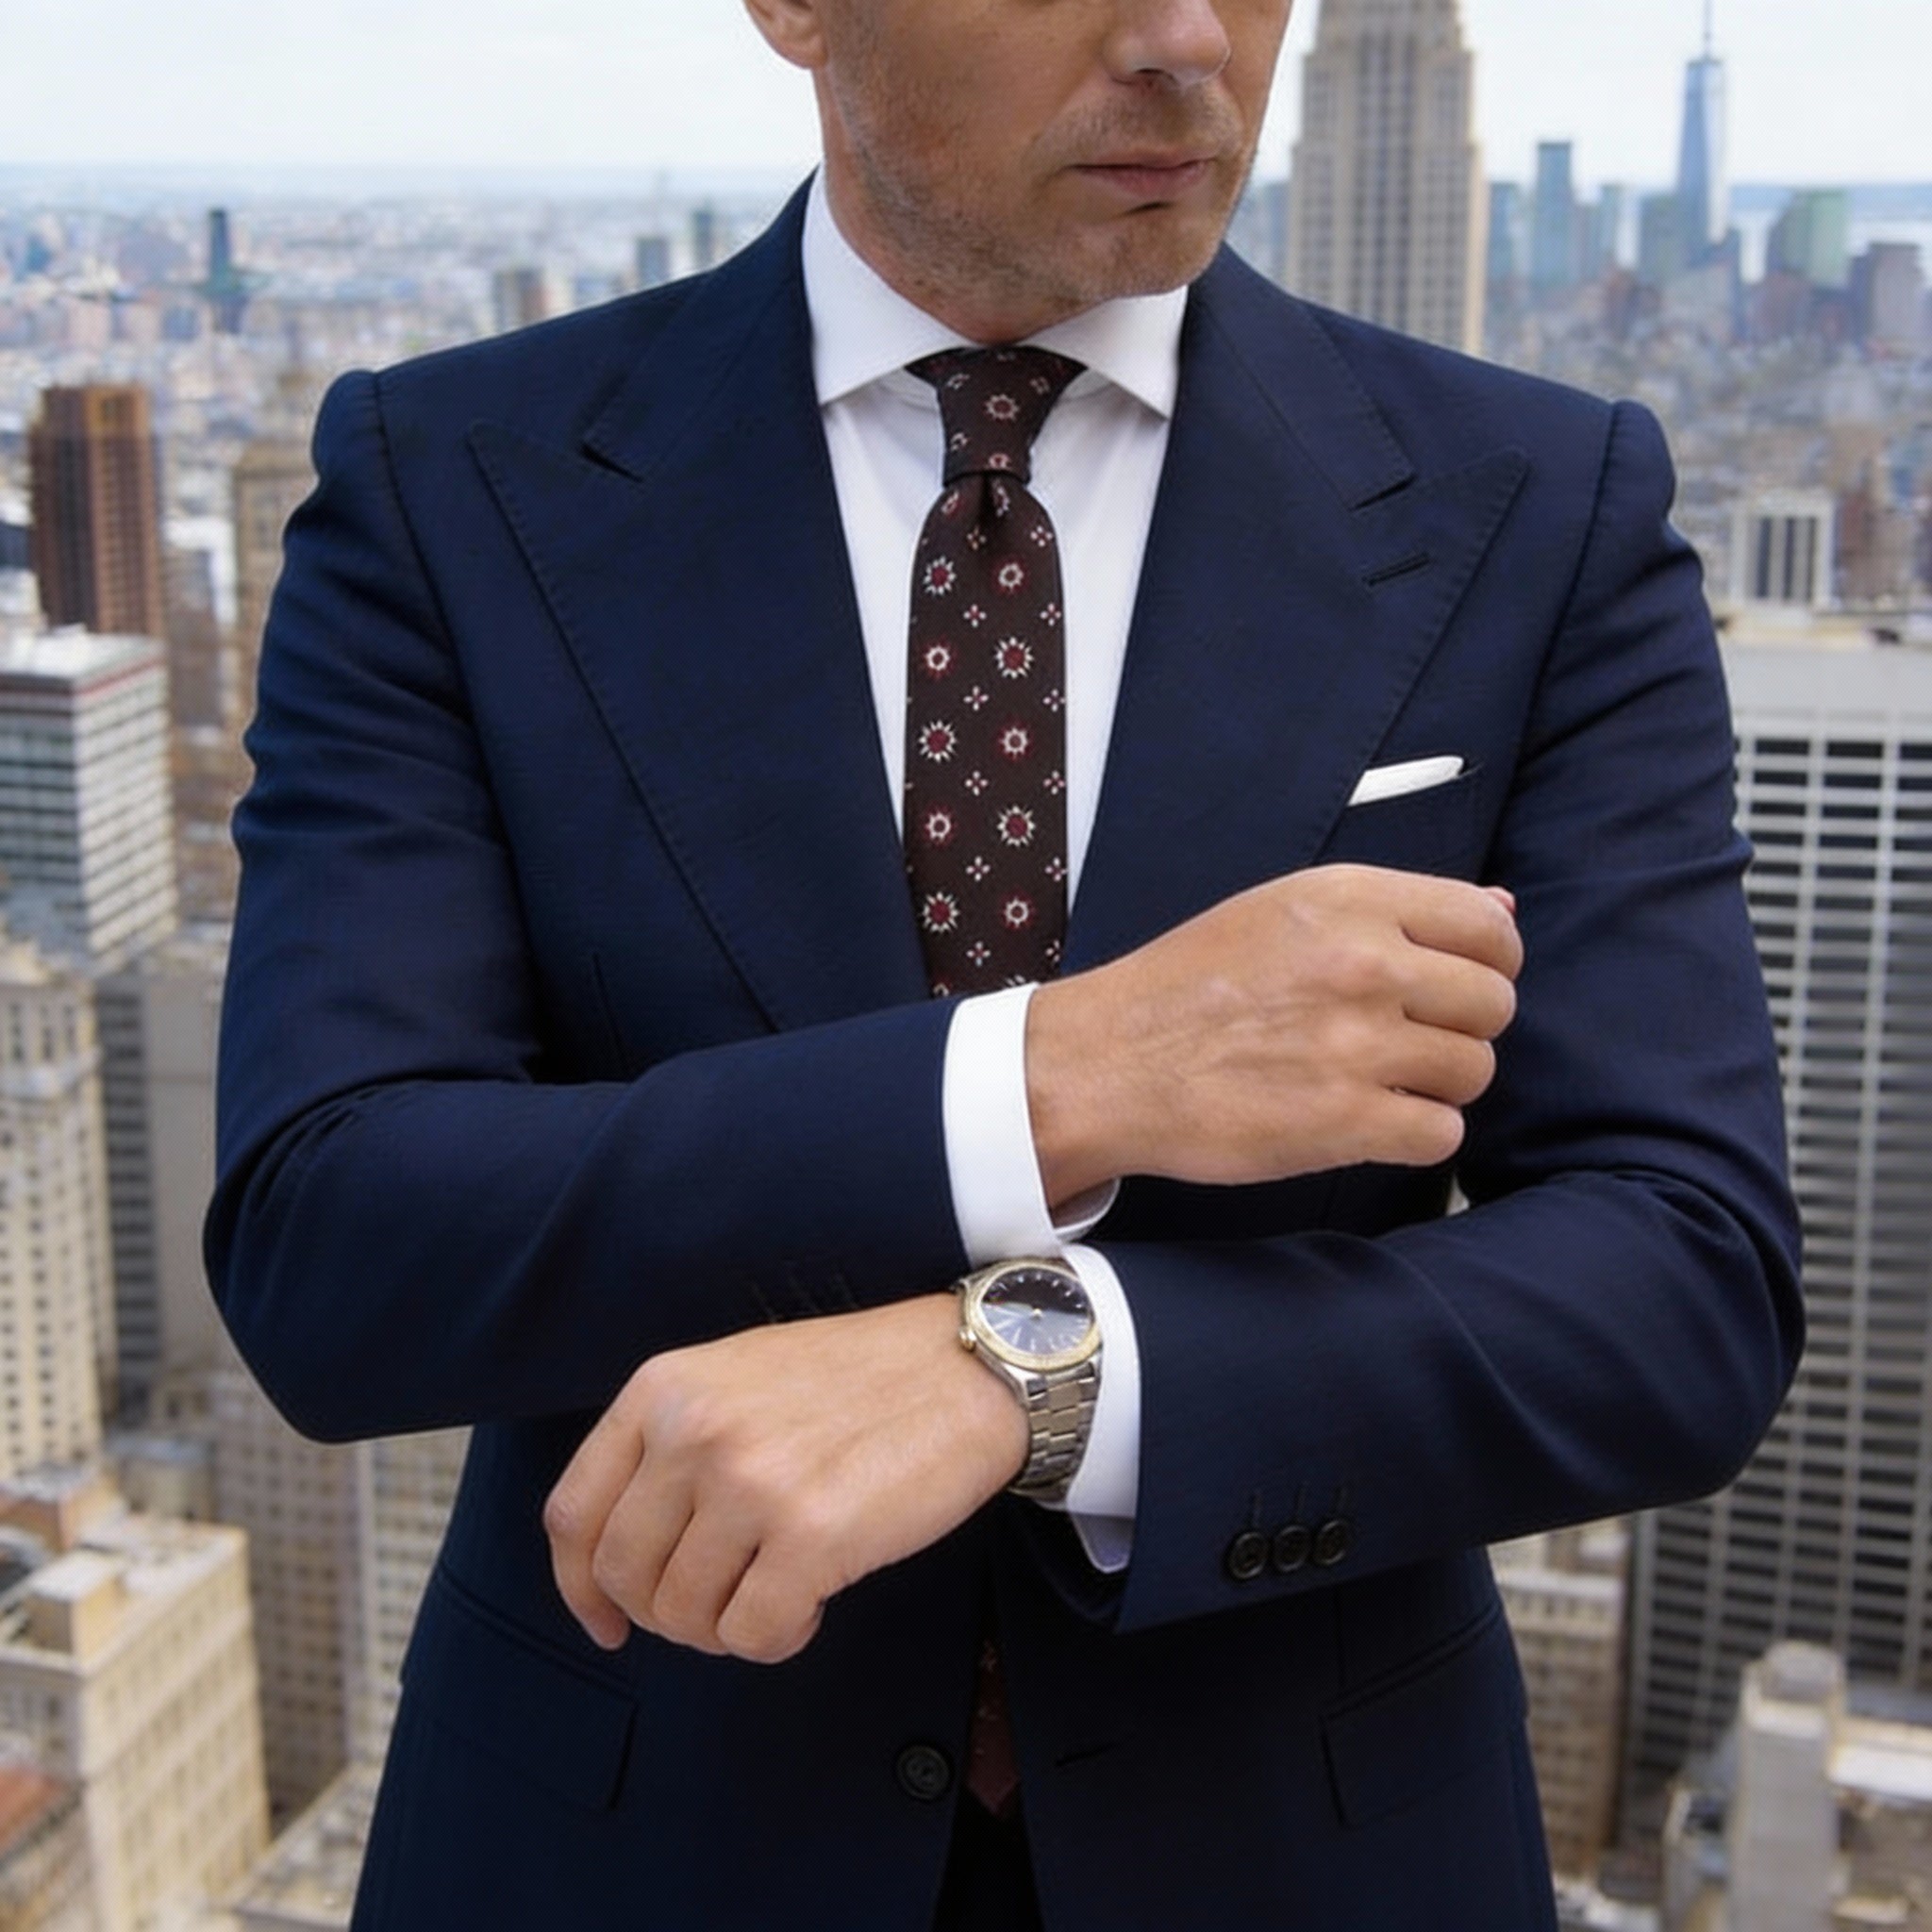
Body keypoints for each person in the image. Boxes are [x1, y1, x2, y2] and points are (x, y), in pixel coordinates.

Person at [203, 0, 1804, 1926]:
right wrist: (1049, 1079)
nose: (1186, 35)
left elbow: (1679, 1278)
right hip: (625, 1846)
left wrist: (1034, 1374)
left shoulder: (1538, 508)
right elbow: (332, 1238)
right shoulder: (453, 481)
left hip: (1310, 1855)